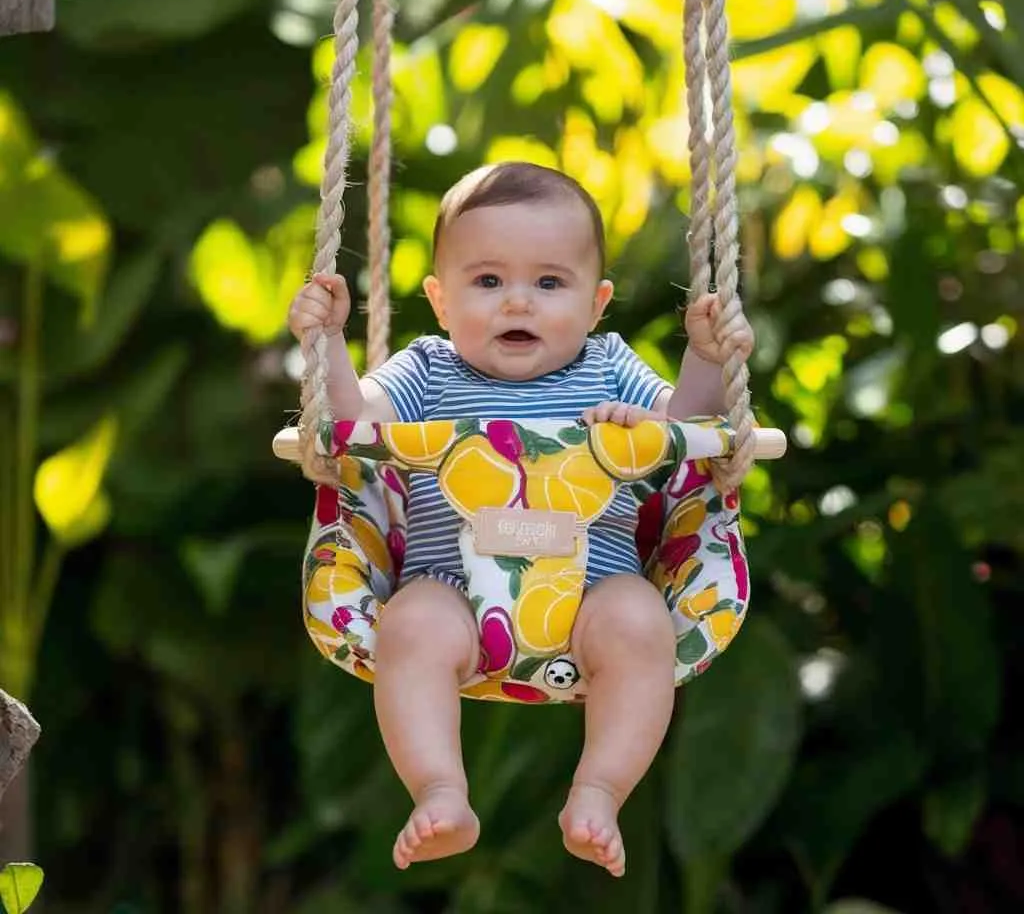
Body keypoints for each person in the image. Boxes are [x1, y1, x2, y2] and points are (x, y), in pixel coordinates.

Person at [288, 162, 753, 878]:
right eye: (487, 281)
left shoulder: (608, 368)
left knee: (641, 622)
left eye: (548, 282)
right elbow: (357, 426)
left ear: (596, 304)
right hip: (455, 600)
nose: (518, 304)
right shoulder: (428, 371)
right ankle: (440, 790)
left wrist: (704, 359)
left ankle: (599, 790)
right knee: (409, 624)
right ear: (440, 302)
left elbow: (684, 430)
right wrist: (326, 345)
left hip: (591, 598)